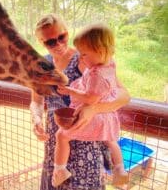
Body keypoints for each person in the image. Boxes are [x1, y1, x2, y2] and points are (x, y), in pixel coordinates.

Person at [30, 14, 130, 190]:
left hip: (86, 142)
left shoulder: (85, 57)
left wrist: (94, 109)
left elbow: (124, 95)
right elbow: (36, 101)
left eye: (62, 37)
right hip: (57, 139)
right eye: (51, 42)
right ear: (41, 42)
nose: (59, 44)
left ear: (67, 33)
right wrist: (36, 118)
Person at [53, 24, 128, 187]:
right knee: (110, 140)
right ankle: (120, 169)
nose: (81, 58)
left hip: (93, 117)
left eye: (85, 54)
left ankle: (60, 170)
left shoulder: (96, 74)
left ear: (100, 50)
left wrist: (70, 91)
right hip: (107, 115)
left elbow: (90, 98)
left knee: (62, 136)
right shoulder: (110, 63)